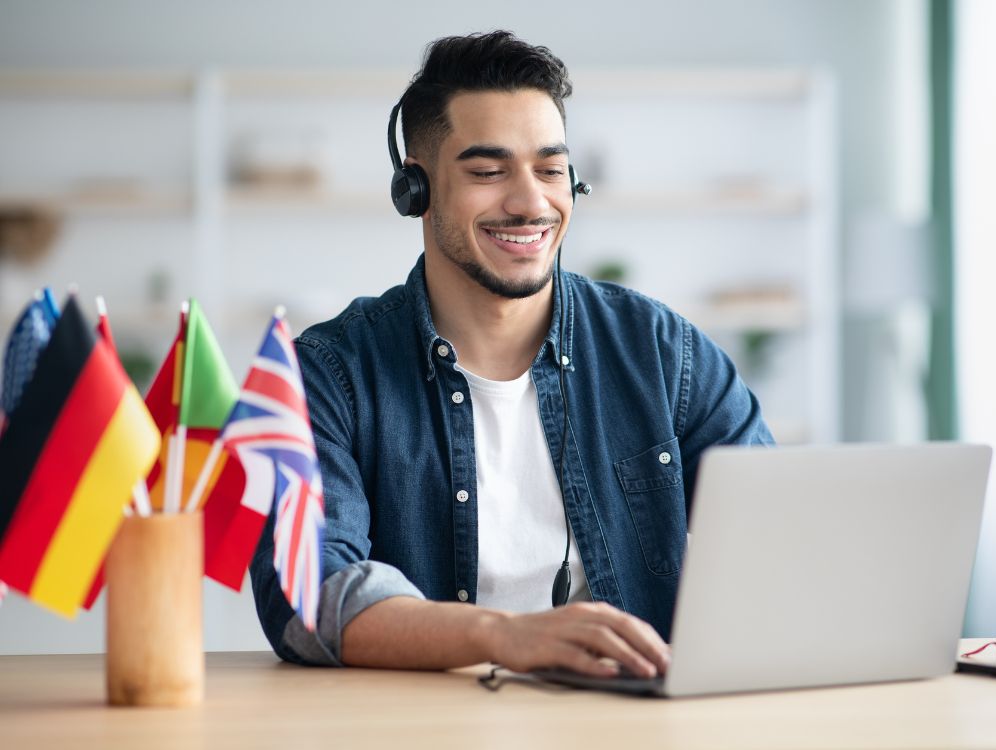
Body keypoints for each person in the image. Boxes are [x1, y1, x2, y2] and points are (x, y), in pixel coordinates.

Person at [250, 30, 772, 679]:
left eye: (551, 169)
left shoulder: (665, 353)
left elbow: (775, 547)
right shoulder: (328, 374)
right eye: (488, 172)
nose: (531, 203)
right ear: (416, 188)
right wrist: (504, 637)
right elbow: (309, 600)